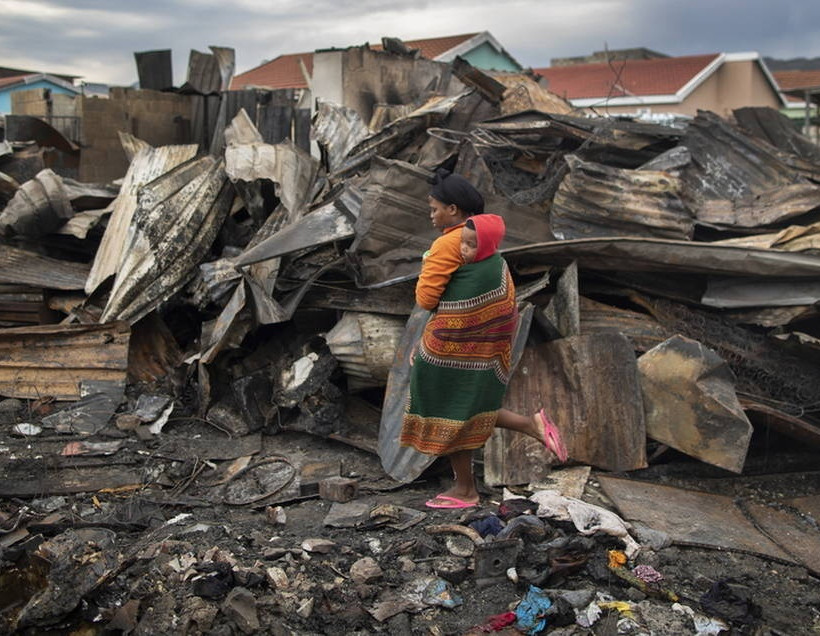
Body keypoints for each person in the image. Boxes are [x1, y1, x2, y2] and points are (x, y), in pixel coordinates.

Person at [400, 170, 568, 510]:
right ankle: (531, 425)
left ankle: (465, 491)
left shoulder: (449, 243)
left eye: (434, 209)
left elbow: (426, 298)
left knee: (448, 409)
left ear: (453, 209)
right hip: (484, 343)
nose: (431, 216)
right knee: (467, 406)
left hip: (455, 344)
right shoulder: (484, 239)